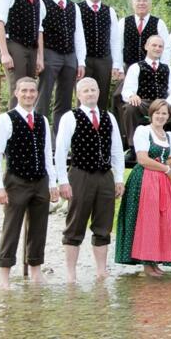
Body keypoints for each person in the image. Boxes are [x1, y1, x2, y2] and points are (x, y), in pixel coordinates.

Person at [0, 77, 58, 290]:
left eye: (32, 91)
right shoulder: (5, 119)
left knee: (39, 228)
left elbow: (47, 154)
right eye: (24, 91)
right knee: (11, 228)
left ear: (37, 94)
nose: (28, 94)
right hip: (16, 180)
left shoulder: (42, 120)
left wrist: (52, 183)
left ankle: (36, 273)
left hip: (40, 180)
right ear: (16, 93)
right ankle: (4, 278)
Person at [55, 78, 125, 282]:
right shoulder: (70, 117)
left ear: (99, 92)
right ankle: (71, 273)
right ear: (78, 95)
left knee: (103, 224)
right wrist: (63, 181)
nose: (90, 93)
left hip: (105, 175)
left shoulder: (109, 117)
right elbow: (61, 151)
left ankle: (101, 270)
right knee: (75, 223)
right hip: (80, 174)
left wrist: (119, 178)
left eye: (93, 90)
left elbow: (117, 150)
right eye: (85, 91)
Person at [115, 99, 171, 276]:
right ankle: (146, 263)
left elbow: (169, 157)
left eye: (164, 113)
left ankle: (154, 261)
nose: (160, 116)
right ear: (151, 114)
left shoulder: (168, 135)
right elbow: (143, 159)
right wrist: (166, 168)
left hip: (162, 182)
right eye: (157, 113)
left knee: (161, 220)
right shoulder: (143, 131)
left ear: (168, 116)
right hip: (144, 180)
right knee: (147, 220)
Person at [121, 35, 171, 163]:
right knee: (130, 107)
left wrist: (166, 103)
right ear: (146, 46)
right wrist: (132, 95)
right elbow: (127, 90)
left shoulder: (168, 69)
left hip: (165, 103)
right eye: (154, 45)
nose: (157, 48)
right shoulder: (136, 67)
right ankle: (133, 148)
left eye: (160, 46)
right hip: (145, 103)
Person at [112, 0, 170, 143]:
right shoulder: (124, 22)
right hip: (129, 68)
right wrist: (118, 67)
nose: (141, 3)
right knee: (118, 97)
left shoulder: (159, 23)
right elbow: (118, 45)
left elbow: (166, 48)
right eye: (138, 0)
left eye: (145, 0)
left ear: (150, 4)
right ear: (133, 3)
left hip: (154, 69)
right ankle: (123, 138)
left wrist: (163, 69)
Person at [36, 0, 87, 135]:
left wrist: (81, 61)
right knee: (43, 96)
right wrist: (39, 57)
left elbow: (79, 35)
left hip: (70, 56)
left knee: (65, 100)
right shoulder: (42, 3)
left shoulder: (74, 7)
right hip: (50, 53)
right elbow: (38, 30)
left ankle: (60, 139)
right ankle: (39, 136)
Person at [0, 0, 46, 108]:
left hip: (32, 48)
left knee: (31, 90)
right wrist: (4, 53)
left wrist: (40, 57)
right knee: (18, 90)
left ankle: (29, 122)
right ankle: (14, 122)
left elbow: (39, 30)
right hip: (14, 44)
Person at [78, 0, 121, 110]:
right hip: (84, 59)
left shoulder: (110, 11)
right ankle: (81, 121)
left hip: (104, 60)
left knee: (102, 96)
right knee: (82, 96)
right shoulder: (77, 8)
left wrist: (116, 64)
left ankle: (101, 121)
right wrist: (79, 61)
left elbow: (115, 39)